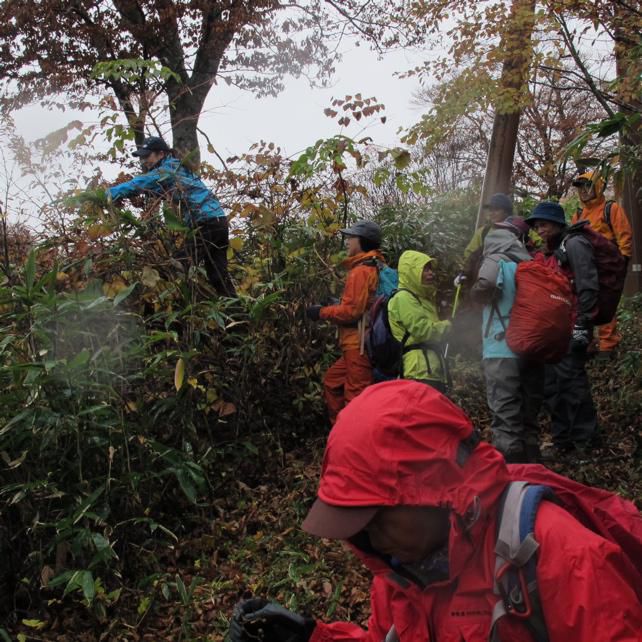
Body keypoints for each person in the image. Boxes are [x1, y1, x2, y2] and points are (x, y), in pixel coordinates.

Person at [227, 381, 642, 642]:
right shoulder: (402, 571)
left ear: (437, 492)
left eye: (376, 520)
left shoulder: (562, 558)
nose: (371, 540)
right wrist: (311, 638)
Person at [105, 136, 236, 297]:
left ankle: (192, 302)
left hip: (205, 222)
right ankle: (238, 316)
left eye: (147, 156)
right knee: (218, 276)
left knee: (176, 266)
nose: (144, 161)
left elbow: (139, 183)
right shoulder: (178, 168)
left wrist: (109, 194)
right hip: (218, 221)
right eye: (142, 158)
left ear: (161, 154)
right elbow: (159, 190)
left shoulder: (167, 170)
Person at [525, 202, 598, 458]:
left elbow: (588, 286)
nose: (539, 230)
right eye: (536, 226)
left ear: (557, 223)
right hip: (553, 331)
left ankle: (585, 442)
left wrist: (582, 326)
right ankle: (562, 440)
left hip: (572, 327)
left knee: (572, 383)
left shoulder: (575, 245)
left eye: (543, 224)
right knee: (552, 386)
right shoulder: (550, 252)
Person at [470, 216, 543, 463]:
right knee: (528, 413)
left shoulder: (496, 258)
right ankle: (534, 465)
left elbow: (486, 284)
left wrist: (475, 295)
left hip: (501, 347)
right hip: (530, 347)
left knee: (505, 412)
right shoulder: (530, 263)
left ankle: (512, 473)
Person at [306, 221, 384, 424]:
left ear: (363, 241)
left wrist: (321, 312)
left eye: (351, 237)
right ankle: (340, 432)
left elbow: (351, 312)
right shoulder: (372, 266)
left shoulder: (361, 271)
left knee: (355, 399)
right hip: (360, 342)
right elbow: (361, 304)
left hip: (358, 345)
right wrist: (336, 305)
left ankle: (353, 441)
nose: (347, 241)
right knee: (333, 382)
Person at [570, 171, 632, 355]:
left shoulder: (610, 208)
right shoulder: (579, 214)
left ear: (598, 186)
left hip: (607, 264)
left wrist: (622, 262)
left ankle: (608, 344)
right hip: (584, 264)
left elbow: (624, 236)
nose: (584, 191)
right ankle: (586, 343)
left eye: (588, 186)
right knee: (583, 302)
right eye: (580, 188)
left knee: (605, 303)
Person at [387, 250, 451, 392]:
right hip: (417, 370)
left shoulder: (424, 299)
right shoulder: (403, 298)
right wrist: (449, 326)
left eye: (431, 269)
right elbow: (423, 330)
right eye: (425, 269)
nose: (431, 273)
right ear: (411, 271)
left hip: (431, 370)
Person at [457, 192, 513, 285]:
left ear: (506, 212)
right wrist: (464, 273)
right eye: (490, 210)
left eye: (496, 209)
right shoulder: (483, 232)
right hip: (482, 279)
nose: (492, 213)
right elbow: (469, 254)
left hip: (508, 280)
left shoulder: (517, 231)